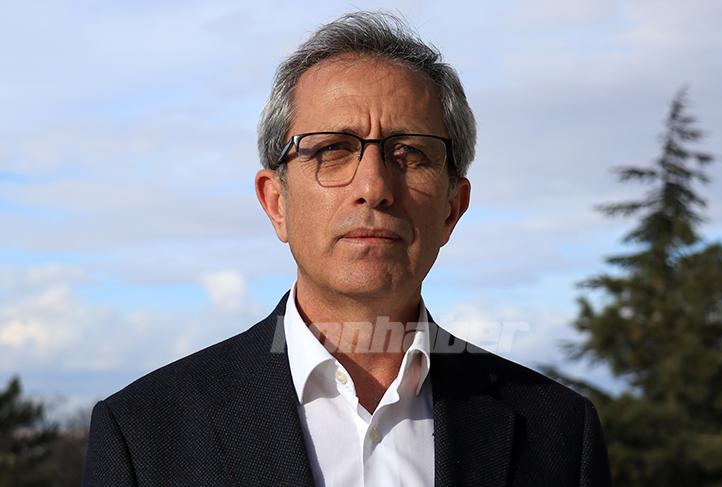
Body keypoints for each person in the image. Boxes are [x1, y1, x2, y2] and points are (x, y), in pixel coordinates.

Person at [83, 11, 611, 486]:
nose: (374, 187)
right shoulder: (144, 434)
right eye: (333, 149)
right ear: (276, 203)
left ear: (453, 207)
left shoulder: (560, 434)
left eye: (410, 153)